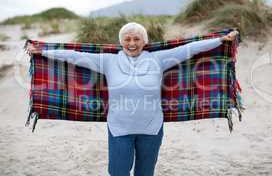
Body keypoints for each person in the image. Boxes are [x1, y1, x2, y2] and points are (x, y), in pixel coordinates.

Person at [25, 22, 239, 176]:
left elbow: (189, 49)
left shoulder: (159, 59)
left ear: (144, 41)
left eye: (137, 39)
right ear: (121, 42)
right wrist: (42, 51)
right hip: (119, 128)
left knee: (145, 173)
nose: (132, 43)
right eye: (127, 39)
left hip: (152, 128)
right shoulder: (108, 61)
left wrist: (221, 40)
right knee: (118, 172)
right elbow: (73, 56)